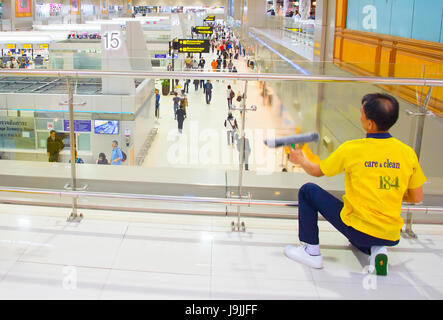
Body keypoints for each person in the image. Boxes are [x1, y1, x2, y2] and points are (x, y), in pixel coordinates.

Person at [284, 93, 427, 276]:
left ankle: (311, 252)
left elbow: (316, 171)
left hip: (358, 229)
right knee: (369, 230)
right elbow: (417, 197)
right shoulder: (407, 153)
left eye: (362, 113)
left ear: (370, 124)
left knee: (308, 191)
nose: (359, 116)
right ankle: (377, 249)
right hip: (391, 234)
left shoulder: (352, 149)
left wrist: (301, 160)